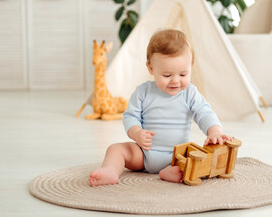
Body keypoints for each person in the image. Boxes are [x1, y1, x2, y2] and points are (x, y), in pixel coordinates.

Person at [89, 29, 232, 187]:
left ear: (190, 67)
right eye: (167, 75)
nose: (175, 81)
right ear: (151, 68)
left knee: (198, 159)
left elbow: (204, 112)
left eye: (183, 74)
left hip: (177, 156)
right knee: (116, 149)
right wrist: (137, 133)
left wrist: (214, 131)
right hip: (143, 154)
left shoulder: (190, 93)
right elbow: (130, 117)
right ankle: (110, 170)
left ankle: (169, 171)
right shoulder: (143, 92)